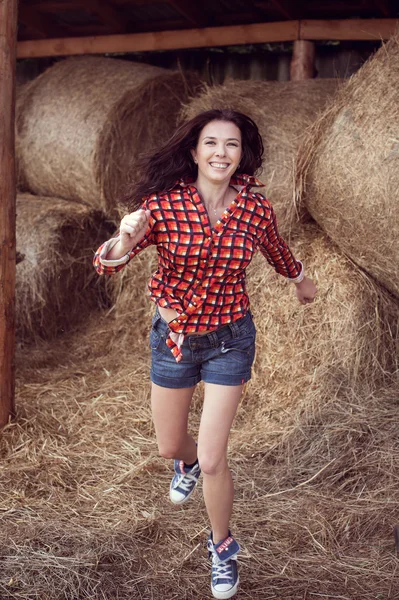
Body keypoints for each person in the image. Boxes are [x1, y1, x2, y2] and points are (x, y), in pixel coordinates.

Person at [93, 109, 317, 599]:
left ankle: (221, 549)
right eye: (211, 143)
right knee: (171, 446)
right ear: (193, 152)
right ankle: (184, 463)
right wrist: (123, 237)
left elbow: (276, 250)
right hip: (174, 341)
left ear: (242, 155)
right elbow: (107, 263)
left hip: (229, 340)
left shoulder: (256, 211)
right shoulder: (161, 207)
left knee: (216, 458)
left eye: (231, 144)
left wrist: (301, 279)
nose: (221, 153)